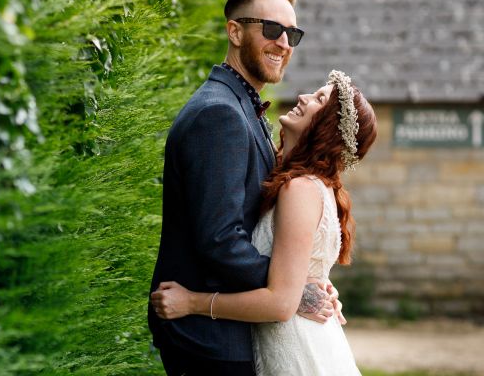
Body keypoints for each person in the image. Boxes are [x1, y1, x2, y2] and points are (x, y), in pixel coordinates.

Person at [148, 0, 341, 376]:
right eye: (272, 30)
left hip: (230, 333)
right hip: (209, 340)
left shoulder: (241, 107)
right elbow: (220, 240)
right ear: (234, 32)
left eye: (292, 33)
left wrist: (303, 284)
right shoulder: (218, 113)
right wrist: (290, 291)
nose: (284, 43)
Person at [151, 70, 378, 375]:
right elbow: (295, 272)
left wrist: (192, 302)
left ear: (328, 128)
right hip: (295, 338)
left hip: (297, 345)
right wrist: (310, 287)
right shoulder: (308, 184)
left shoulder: (300, 189)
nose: (303, 97)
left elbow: (281, 304)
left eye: (318, 99)